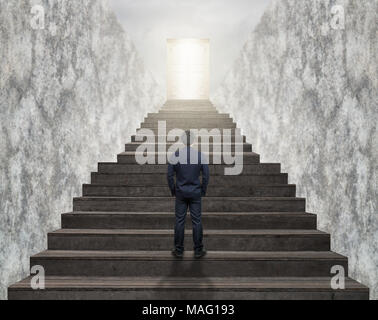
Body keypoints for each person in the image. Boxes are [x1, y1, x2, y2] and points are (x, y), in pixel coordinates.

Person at [167, 131, 210, 259]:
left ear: (182, 140)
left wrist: (173, 190)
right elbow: (206, 175)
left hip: (180, 192)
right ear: (193, 140)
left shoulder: (175, 155)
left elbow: (169, 175)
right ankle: (198, 250)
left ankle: (179, 250)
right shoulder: (200, 155)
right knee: (197, 221)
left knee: (179, 221)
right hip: (195, 192)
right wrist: (203, 190)